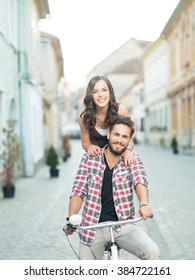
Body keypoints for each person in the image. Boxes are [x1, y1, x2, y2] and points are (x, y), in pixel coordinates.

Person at [65, 115, 160, 260]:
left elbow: (140, 180)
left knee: (152, 252)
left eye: (124, 137)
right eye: (116, 134)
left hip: (122, 226)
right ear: (109, 134)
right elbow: (79, 189)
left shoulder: (132, 159)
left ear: (129, 141)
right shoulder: (90, 158)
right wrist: (72, 218)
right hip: (92, 228)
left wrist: (144, 204)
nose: (119, 140)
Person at [78, 75, 135, 167]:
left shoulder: (121, 111)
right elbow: (85, 142)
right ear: (90, 95)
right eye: (95, 91)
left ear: (110, 92)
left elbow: (130, 140)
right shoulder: (84, 117)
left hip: (120, 162)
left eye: (104, 90)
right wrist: (90, 147)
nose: (101, 95)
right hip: (97, 163)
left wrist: (128, 150)